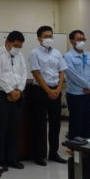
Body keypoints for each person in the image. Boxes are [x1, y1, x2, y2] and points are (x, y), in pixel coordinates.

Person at [0, 31, 27, 170]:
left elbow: (24, 74)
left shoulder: (20, 55)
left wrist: (19, 91)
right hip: (0, 95)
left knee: (14, 128)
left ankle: (12, 158)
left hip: (17, 94)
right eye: (16, 45)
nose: (18, 48)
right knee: (1, 128)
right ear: (7, 42)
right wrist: (10, 91)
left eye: (20, 46)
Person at [29, 26, 68, 165]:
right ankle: (38, 155)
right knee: (39, 124)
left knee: (55, 123)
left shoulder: (57, 53)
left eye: (50, 36)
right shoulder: (34, 53)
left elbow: (62, 71)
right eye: (45, 36)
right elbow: (36, 73)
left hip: (55, 90)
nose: (48, 38)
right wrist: (48, 91)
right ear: (39, 38)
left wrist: (58, 89)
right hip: (40, 91)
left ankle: (53, 153)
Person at [64, 30, 90, 140]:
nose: (82, 41)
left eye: (83, 39)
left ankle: (87, 146)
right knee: (76, 123)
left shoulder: (89, 55)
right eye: (79, 39)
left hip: (88, 94)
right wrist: (89, 86)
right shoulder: (67, 57)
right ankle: (74, 147)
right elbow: (74, 75)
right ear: (72, 41)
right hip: (75, 95)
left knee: (88, 122)